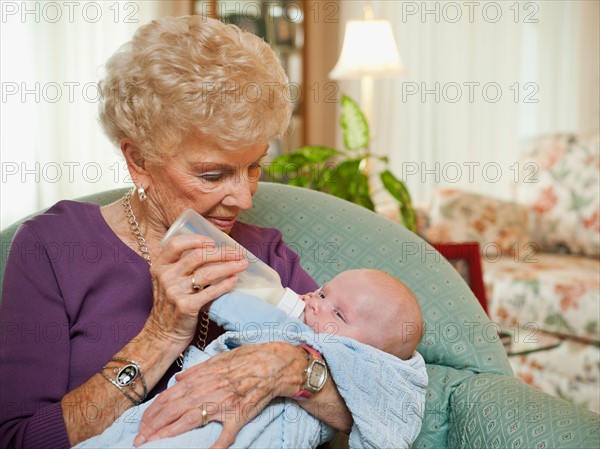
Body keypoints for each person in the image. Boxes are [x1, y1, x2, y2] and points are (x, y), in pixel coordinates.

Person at [0, 15, 409, 449]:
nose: (245, 198)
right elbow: (20, 439)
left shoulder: (265, 255)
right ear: (138, 159)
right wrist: (160, 335)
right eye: (213, 175)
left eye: (253, 167)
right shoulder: (54, 248)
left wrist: (287, 367)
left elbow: (377, 397)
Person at [75, 269, 427, 448]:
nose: (313, 301)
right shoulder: (296, 319)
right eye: (322, 291)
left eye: (338, 313)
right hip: (190, 405)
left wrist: (213, 293)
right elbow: (250, 304)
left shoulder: (347, 358)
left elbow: (242, 308)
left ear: (368, 353)